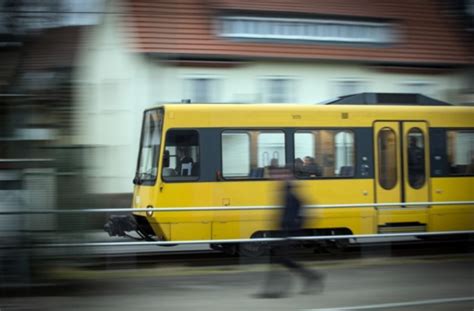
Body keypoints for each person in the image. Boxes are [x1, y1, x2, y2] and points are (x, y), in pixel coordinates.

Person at [257, 166, 324, 298]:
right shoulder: (284, 187)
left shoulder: (292, 189)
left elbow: (303, 207)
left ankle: (278, 290)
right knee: (281, 259)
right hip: (285, 229)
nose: (274, 177)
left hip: (290, 230)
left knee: (283, 259)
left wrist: (296, 225)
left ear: (287, 174)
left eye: (278, 174)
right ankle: (311, 277)